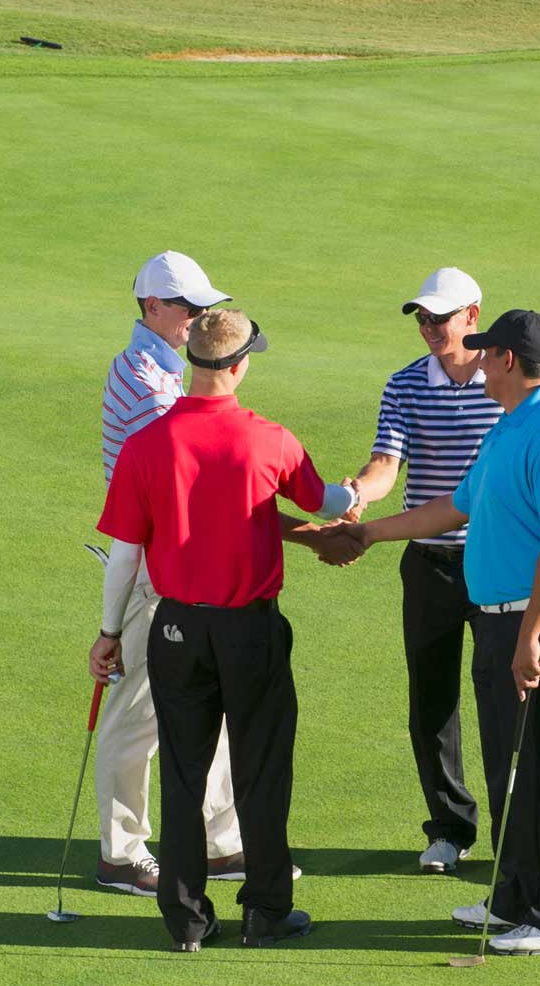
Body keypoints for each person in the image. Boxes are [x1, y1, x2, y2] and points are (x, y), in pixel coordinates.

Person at [313, 309, 540, 956]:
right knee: (511, 763)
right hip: (507, 620)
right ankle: (513, 898)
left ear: (506, 360)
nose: (475, 359)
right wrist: (368, 531)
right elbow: (453, 506)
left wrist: (531, 635)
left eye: (485, 350)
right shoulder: (509, 426)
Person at [94, 309, 354, 951]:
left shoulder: (147, 444)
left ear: (193, 363)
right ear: (239, 367)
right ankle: (267, 913)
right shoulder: (270, 439)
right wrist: (354, 499)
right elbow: (320, 502)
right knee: (261, 769)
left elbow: (126, 555)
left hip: (175, 629)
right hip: (249, 632)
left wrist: (106, 633)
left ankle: (185, 918)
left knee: (183, 771)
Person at [90, 251, 250, 898]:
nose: (197, 317)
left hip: (187, 570)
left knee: (209, 706)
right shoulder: (142, 380)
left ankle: (222, 842)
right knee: (137, 717)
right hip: (152, 573)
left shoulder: (164, 374)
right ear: (151, 307)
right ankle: (121, 854)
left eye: (201, 305)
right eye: (185, 306)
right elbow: (195, 468)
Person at [338, 267, 502, 874]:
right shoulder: (406, 384)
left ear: (473, 316)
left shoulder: (503, 380)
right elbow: (388, 463)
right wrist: (360, 491)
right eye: (422, 318)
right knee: (430, 701)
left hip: (496, 566)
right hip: (429, 565)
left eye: (440, 317)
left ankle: (517, 831)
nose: (429, 328)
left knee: (503, 698)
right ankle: (449, 829)